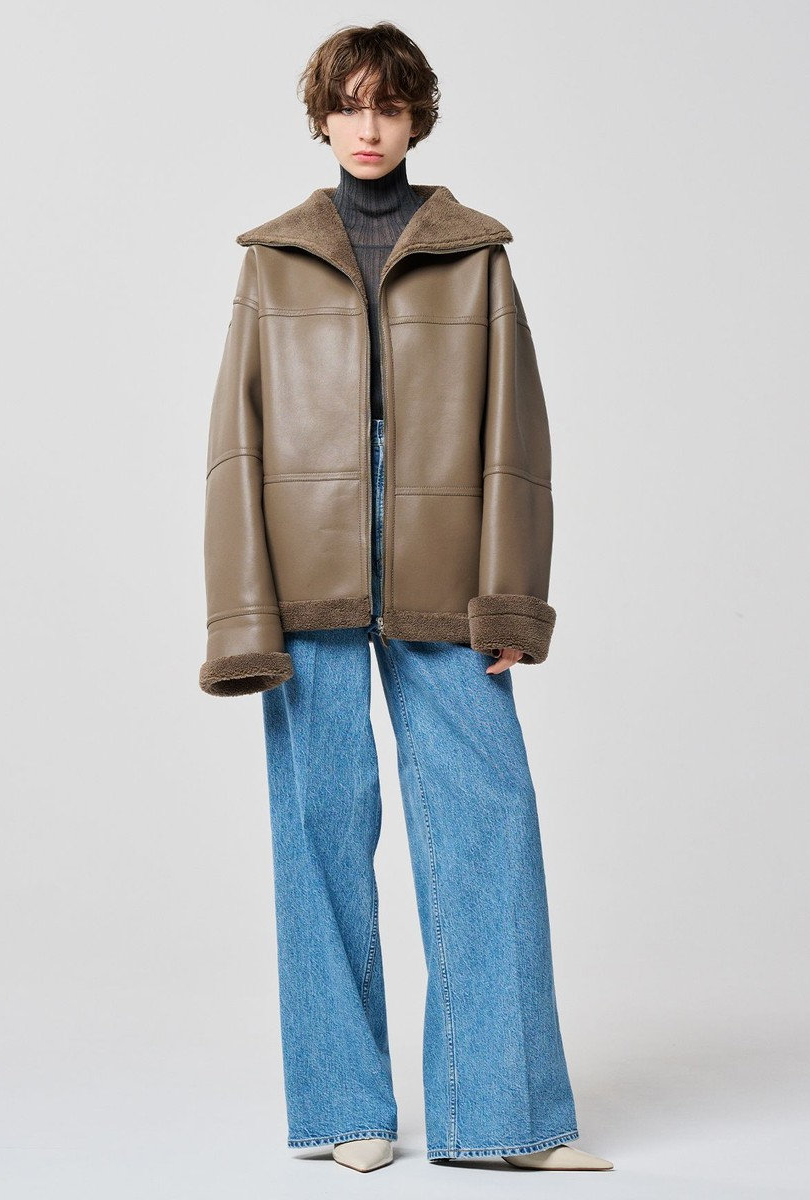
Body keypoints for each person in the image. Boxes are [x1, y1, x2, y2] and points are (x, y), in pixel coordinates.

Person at [200, 21, 613, 1175]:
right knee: (319, 829)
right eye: (349, 105)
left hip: (442, 562)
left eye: (387, 105)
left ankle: (503, 1118)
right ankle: (347, 1110)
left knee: (487, 820)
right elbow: (236, 445)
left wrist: (510, 602)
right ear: (323, 117)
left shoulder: (474, 254)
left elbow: (514, 442)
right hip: (307, 563)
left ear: (416, 114)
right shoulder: (273, 259)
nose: (368, 127)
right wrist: (242, 618)